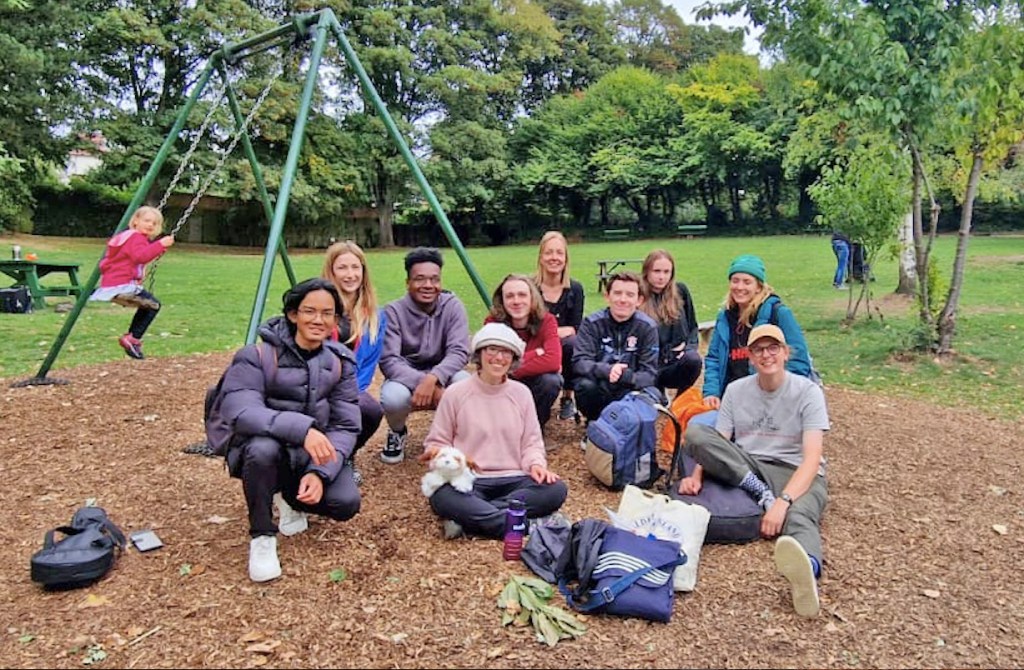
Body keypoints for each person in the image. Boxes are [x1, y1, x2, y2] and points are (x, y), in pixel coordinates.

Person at [217, 278, 362, 582]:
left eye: (327, 313)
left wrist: (319, 472)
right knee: (261, 449)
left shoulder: (339, 362)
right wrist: (303, 430)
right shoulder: (256, 356)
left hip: (310, 454)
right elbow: (240, 410)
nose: (318, 320)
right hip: (270, 449)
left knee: (345, 503)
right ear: (293, 314)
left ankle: (290, 496)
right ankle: (262, 536)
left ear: (336, 320)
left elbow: (346, 424)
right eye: (309, 311)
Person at [679, 324, 829, 617]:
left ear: (786, 353)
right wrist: (696, 475)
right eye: (759, 349)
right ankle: (760, 493)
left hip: (794, 470)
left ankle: (806, 569)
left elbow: (812, 460)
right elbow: (719, 441)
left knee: (799, 515)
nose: (766, 355)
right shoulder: (736, 390)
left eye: (773, 348)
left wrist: (783, 502)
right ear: (750, 356)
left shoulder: (808, 392)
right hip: (749, 465)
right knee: (696, 433)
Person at [419, 323, 568, 539]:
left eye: (506, 352)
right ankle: (528, 525)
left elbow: (532, 442)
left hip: (514, 477)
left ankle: (471, 520)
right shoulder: (456, 393)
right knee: (441, 496)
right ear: (479, 354)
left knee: (555, 490)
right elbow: (438, 440)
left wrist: (536, 464)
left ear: (513, 358)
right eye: (492, 350)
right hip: (468, 479)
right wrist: (441, 457)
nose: (499, 357)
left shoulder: (521, 393)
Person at [378, 247, 471, 464]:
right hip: (406, 374)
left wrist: (434, 379)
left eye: (434, 279)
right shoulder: (393, 311)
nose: (428, 286)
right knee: (393, 397)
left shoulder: (452, 306)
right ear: (408, 282)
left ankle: (456, 434)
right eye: (420, 279)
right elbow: (389, 360)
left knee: (465, 384)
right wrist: (423, 382)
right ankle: (397, 432)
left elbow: (459, 350)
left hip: (444, 372)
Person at [697, 254, 814, 425]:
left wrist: (779, 397)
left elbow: (798, 360)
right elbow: (714, 358)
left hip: (769, 400)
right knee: (698, 427)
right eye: (735, 281)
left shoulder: (778, 313)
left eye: (747, 282)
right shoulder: (725, 316)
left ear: (759, 286)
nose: (739, 287)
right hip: (731, 397)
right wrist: (711, 392)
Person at [322, 241, 385, 473]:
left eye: (355, 267)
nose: (350, 275)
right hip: (316, 385)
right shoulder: (320, 307)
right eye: (342, 268)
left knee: (370, 410)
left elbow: (368, 363)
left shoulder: (376, 317)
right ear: (331, 271)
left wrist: (348, 394)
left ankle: (346, 455)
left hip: (350, 387)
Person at [572, 271, 659, 422]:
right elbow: (580, 362)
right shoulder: (591, 323)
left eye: (630, 295)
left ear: (639, 300)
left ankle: (630, 429)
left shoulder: (647, 327)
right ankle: (594, 424)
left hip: (630, 386)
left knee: (652, 393)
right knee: (584, 385)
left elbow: (649, 373)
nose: (623, 300)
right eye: (617, 293)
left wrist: (626, 376)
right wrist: (608, 370)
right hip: (601, 384)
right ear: (607, 296)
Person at [89, 205, 175, 359]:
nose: (150, 225)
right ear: (135, 221)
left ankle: (132, 338)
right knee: (154, 306)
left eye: (154, 223)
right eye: (147, 220)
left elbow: (109, 262)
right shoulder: (136, 238)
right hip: (124, 285)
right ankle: (132, 338)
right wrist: (160, 244)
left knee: (147, 305)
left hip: (111, 285)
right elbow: (140, 257)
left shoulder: (125, 237)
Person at [484, 274, 562, 431]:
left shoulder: (547, 320)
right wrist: (536, 353)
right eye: (509, 296)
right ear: (502, 301)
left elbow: (553, 360)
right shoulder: (492, 322)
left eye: (522, 295)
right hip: (504, 382)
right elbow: (488, 362)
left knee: (551, 381)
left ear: (532, 298)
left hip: (531, 380)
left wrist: (510, 365)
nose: (516, 301)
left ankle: (534, 430)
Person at [532, 231, 585, 422]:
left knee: (573, 343)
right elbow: (530, 328)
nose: (554, 257)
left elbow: (575, 327)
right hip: (536, 345)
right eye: (549, 253)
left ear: (566, 258)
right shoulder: (530, 287)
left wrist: (549, 333)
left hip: (564, 343)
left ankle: (567, 397)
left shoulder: (575, 289)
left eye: (559, 253)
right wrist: (552, 333)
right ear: (541, 257)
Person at [640, 249, 702, 395]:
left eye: (666, 272)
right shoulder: (638, 295)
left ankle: (680, 400)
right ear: (647, 271)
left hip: (675, 360)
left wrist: (689, 349)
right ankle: (657, 392)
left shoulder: (680, 291)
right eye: (657, 271)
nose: (661, 277)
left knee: (693, 360)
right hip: (649, 364)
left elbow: (693, 327)